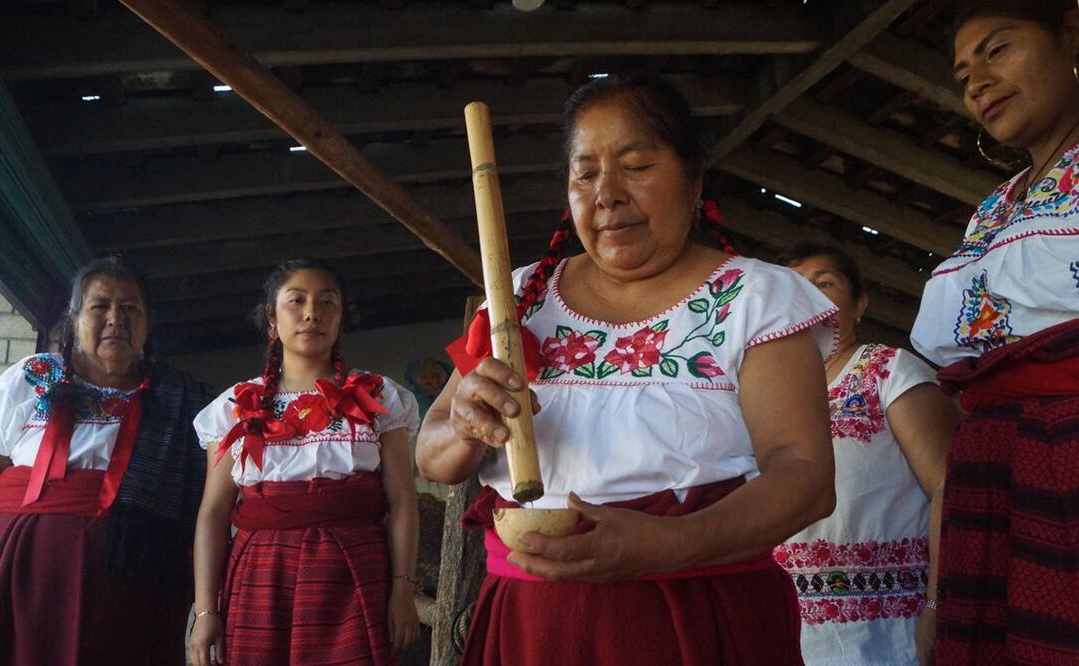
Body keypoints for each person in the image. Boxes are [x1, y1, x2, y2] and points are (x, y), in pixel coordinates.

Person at [417, 73, 839, 665]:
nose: (606, 193)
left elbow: (806, 478)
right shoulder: (517, 300)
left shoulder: (758, 297)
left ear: (694, 179)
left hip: (696, 617)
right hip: (533, 626)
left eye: (635, 165)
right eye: (585, 173)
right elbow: (432, 454)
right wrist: (464, 424)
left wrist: (673, 544)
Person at [909, 1, 1079, 664]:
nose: (976, 81)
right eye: (960, 75)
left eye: (997, 49)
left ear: (1069, 32)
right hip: (992, 471)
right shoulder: (993, 208)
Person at [187, 259, 420, 666]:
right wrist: (206, 610)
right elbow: (214, 511)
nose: (313, 312)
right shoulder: (234, 407)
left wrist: (402, 587)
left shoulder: (380, 397)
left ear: (341, 318)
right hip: (260, 576)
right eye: (297, 300)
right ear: (271, 320)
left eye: (327, 302)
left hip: (354, 572)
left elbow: (402, 500)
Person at [0, 256, 212, 665]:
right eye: (100, 306)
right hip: (22, 571)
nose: (116, 319)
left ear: (149, 323)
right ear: (75, 318)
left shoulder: (182, 399)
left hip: (128, 580)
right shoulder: (34, 375)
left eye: (131, 308)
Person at [776, 244, 958, 666]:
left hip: (885, 634)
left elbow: (950, 487)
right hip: (788, 629)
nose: (811, 298)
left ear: (860, 304)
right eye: (796, 289)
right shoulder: (766, 397)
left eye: (825, 284)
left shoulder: (888, 370)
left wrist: (936, 609)